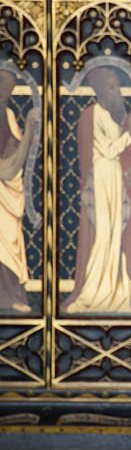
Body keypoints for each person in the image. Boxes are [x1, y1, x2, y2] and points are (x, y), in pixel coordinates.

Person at [62, 65, 131, 315]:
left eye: (116, 85)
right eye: (111, 86)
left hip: (113, 174)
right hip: (102, 174)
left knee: (116, 232)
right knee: (104, 232)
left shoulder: (110, 114)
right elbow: (109, 149)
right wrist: (129, 132)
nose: (116, 90)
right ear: (100, 90)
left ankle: (116, 290)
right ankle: (95, 289)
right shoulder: (93, 113)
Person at [0, 68, 38, 314]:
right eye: (3, 84)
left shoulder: (8, 112)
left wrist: (30, 131)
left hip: (6, 187)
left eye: (10, 87)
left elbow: (15, 155)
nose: (6, 90)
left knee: (8, 241)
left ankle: (11, 295)